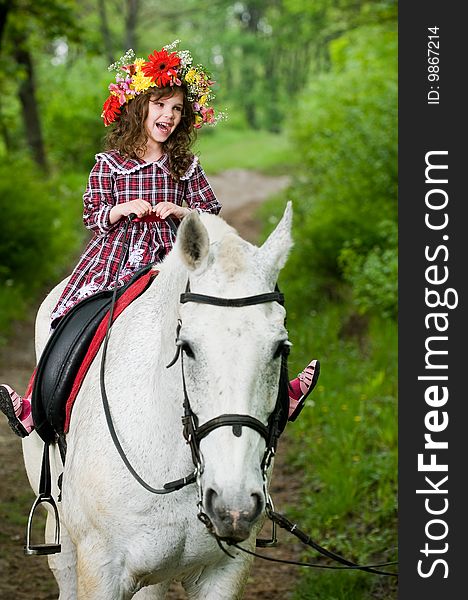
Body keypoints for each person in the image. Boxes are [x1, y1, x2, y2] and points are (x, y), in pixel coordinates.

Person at [0, 42, 319, 438]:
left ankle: (280, 396)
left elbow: (209, 210)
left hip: (173, 255)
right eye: (160, 105)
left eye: (177, 109)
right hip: (117, 254)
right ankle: (37, 405)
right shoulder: (111, 164)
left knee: (240, 309)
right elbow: (92, 213)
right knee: (67, 314)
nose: (168, 115)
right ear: (140, 107)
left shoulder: (184, 165)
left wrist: (181, 212)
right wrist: (120, 210)